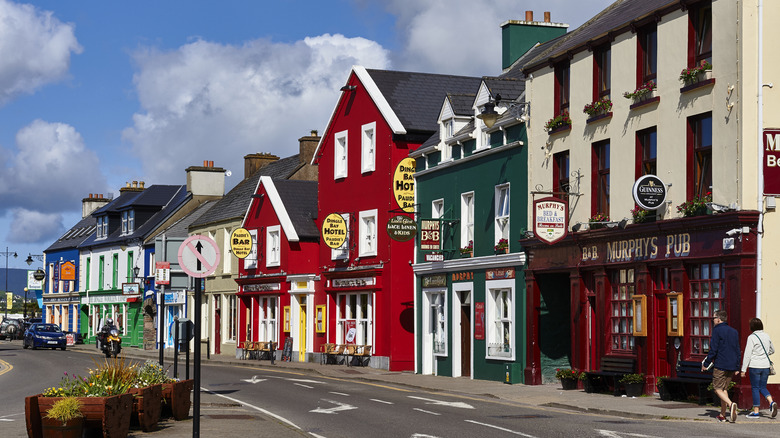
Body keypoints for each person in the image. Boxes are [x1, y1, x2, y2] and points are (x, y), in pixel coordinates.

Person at [702, 310, 741, 423]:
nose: (713, 320)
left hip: (721, 364)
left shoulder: (717, 330)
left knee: (717, 388)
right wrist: (737, 366)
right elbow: (737, 350)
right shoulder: (734, 332)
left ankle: (731, 404)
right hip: (732, 364)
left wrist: (706, 363)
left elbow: (713, 349)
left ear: (719, 319)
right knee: (724, 389)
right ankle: (722, 415)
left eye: (713, 318)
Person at [741, 317, 777, 418]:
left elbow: (747, 354)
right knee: (762, 387)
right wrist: (764, 355)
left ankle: (756, 412)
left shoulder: (751, 337)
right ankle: (771, 402)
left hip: (755, 366)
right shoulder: (766, 336)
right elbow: (772, 350)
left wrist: (743, 369)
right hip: (765, 366)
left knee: (755, 388)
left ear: (752, 327)